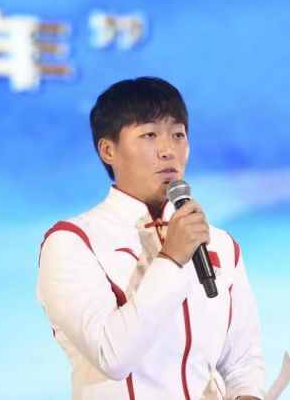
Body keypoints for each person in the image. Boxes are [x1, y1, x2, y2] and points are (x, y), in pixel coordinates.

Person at [37, 77, 265, 399]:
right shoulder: (73, 242)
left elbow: (242, 362)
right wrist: (170, 260)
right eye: (149, 135)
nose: (168, 150)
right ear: (108, 150)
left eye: (178, 134)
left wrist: (247, 394)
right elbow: (111, 356)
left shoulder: (220, 244)